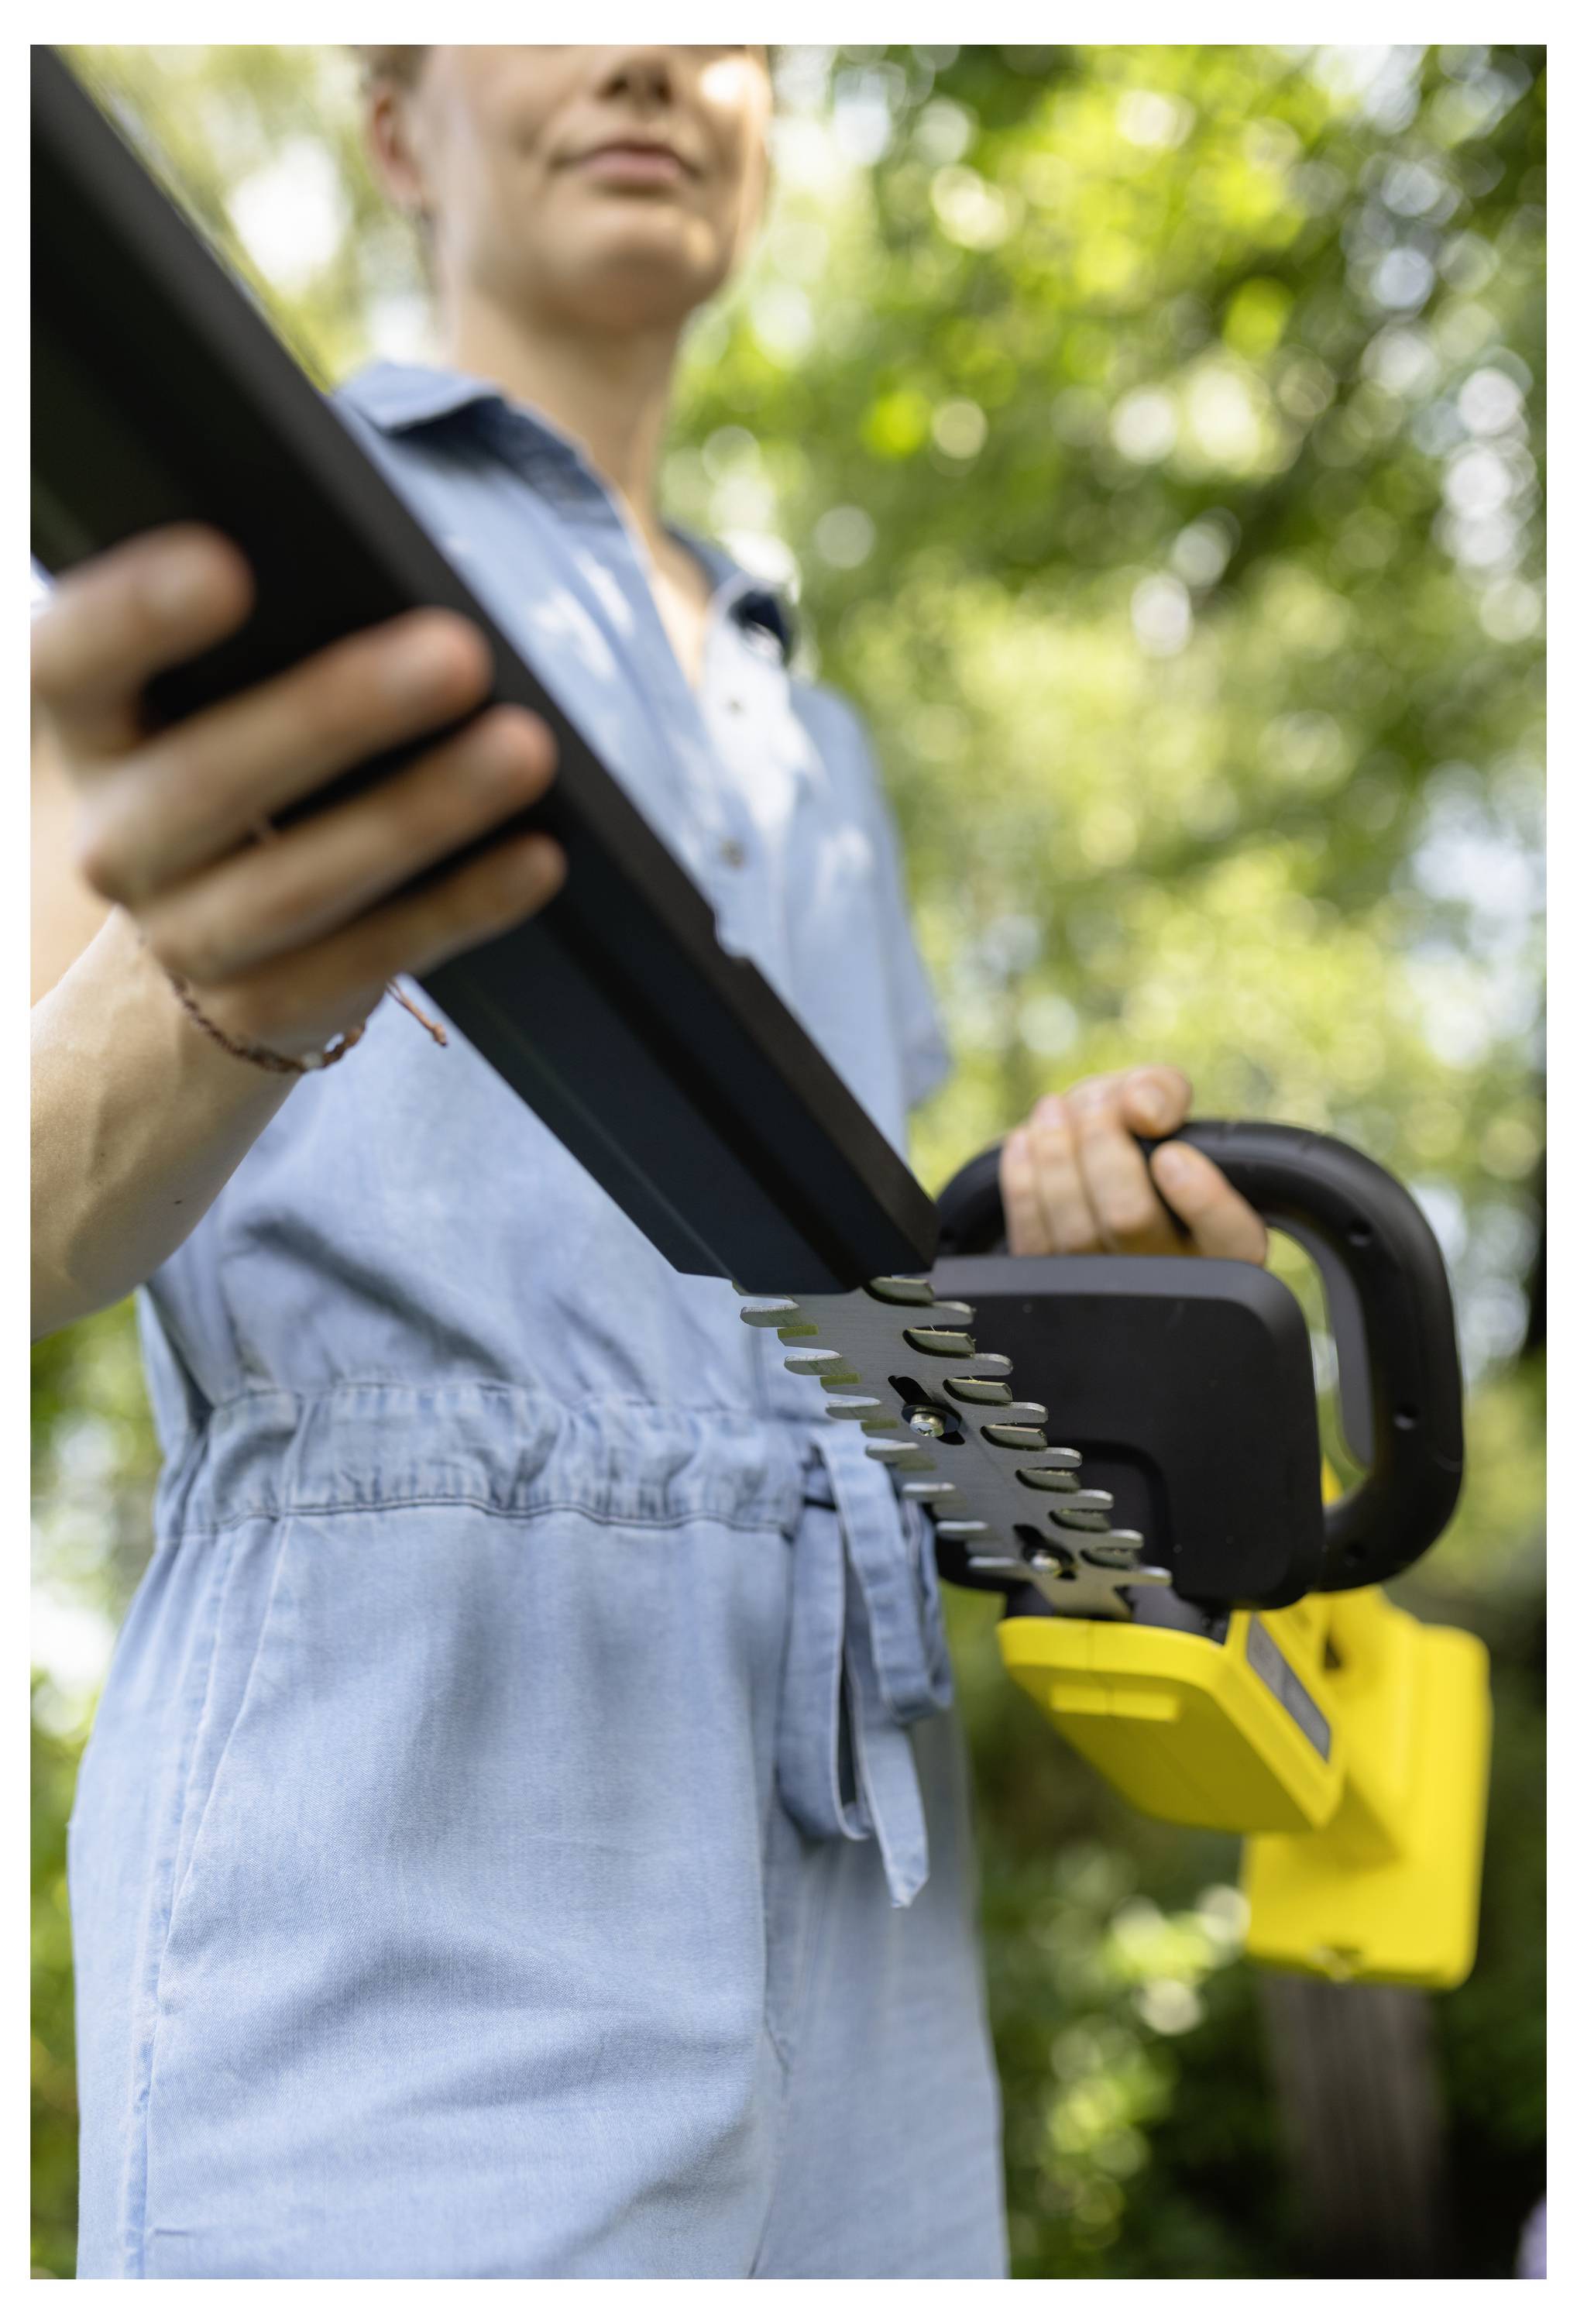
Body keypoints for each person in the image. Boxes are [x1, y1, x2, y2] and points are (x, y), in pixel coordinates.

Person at [30, 46, 1269, 2280]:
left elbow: (870, 1368)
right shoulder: (181, 545)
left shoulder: (825, 741)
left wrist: (1071, 1282)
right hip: (397, 1811)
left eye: (730, 31)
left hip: (864, 1864)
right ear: (396, 129)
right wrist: (217, 984)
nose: (651, 58)